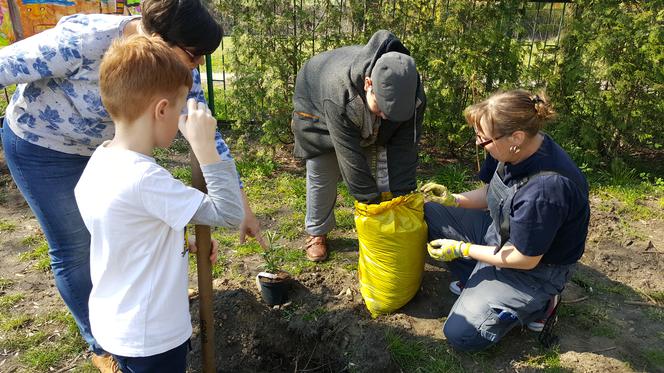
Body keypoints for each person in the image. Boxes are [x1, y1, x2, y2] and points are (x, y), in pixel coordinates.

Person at [0, 1, 263, 370]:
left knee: (107, 230)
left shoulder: (115, 157)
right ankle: (101, 347)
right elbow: (4, 66)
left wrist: (238, 207)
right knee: (75, 248)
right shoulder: (85, 40)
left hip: (103, 154)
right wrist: (206, 158)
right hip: (42, 145)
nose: (198, 64)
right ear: (157, 38)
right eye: (194, 54)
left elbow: (124, 223)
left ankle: (119, 331)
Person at [74, 34, 243, 372]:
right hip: (152, 337)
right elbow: (229, 212)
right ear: (162, 110)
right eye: (180, 109)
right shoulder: (145, 179)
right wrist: (205, 149)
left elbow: (125, 226)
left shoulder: (102, 159)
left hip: (115, 322)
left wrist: (173, 240)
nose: (182, 120)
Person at [421, 89, 590, 352]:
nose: (479, 143)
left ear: (516, 137)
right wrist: (452, 199)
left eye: (484, 138)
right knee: (431, 212)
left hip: (535, 269)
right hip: (501, 234)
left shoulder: (545, 190)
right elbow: (493, 192)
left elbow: (525, 258)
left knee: (460, 333)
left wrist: (462, 249)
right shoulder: (512, 149)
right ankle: (480, 279)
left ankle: (542, 304)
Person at [292, 29, 426, 262]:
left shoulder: (411, 93)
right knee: (323, 169)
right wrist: (371, 205)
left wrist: (403, 201)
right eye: (382, 108)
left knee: (385, 166)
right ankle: (317, 232)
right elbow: (349, 158)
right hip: (317, 107)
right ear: (368, 84)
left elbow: (405, 148)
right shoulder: (338, 91)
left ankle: (388, 222)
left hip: (355, 105)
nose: (385, 117)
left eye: (393, 114)